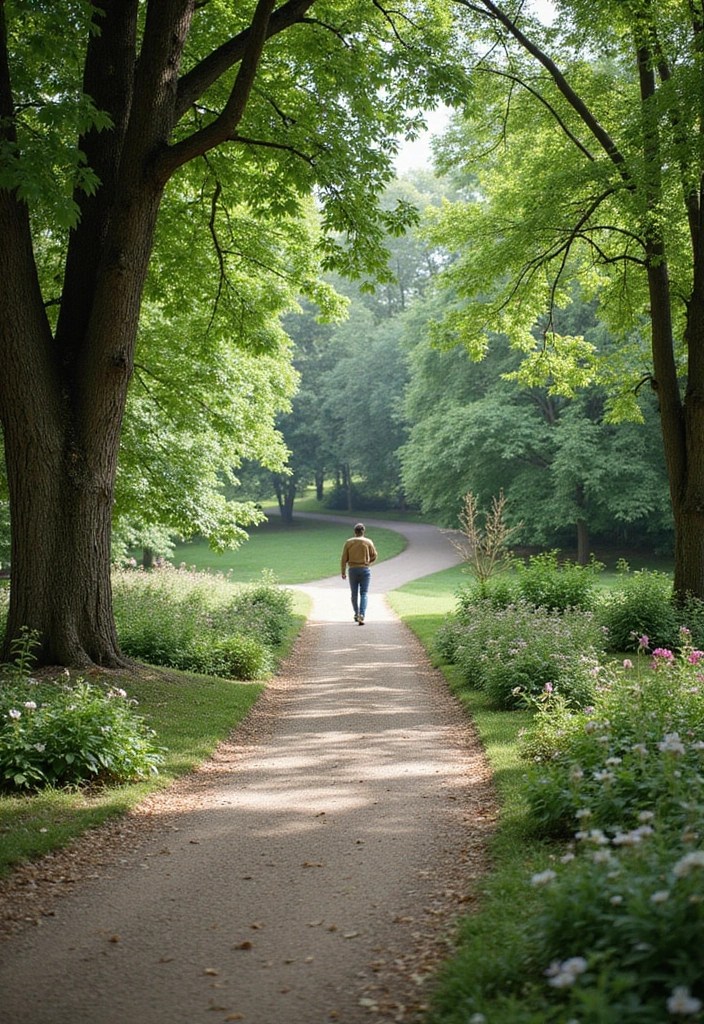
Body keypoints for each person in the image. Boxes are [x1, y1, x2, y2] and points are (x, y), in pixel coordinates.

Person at [340, 523, 377, 625]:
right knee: (364, 593)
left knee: (354, 593)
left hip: (352, 569)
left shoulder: (349, 542)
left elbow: (344, 559)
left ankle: (356, 614)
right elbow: (374, 555)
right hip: (365, 569)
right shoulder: (368, 542)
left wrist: (343, 572)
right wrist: (368, 562)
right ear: (363, 531)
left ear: (354, 532)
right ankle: (362, 614)